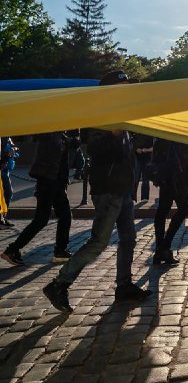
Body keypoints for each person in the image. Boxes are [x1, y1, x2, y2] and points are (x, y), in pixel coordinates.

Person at [43, 70, 152, 312]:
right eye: (122, 86)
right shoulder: (97, 116)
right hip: (108, 189)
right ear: (110, 90)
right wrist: (114, 135)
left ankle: (123, 287)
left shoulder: (120, 115)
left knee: (128, 239)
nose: (127, 90)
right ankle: (59, 283)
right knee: (98, 242)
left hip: (122, 189)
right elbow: (93, 151)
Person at [2, 131, 79, 266]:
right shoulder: (50, 134)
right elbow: (53, 154)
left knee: (62, 217)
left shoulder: (60, 136)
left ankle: (60, 251)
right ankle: (12, 250)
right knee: (42, 220)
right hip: (49, 182)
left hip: (55, 183)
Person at [151, 139, 188, 265]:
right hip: (176, 177)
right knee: (182, 208)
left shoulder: (163, 136)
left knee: (163, 210)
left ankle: (161, 249)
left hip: (170, 177)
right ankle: (164, 247)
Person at [1, 136, 19, 226]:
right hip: (2, 171)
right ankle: (2, 218)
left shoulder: (7, 138)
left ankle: (3, 217)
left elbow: (15, 150)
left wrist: (14, 150)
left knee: (7, 194)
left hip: (6, 171)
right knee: (7, 193)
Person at [132, 134, 154, 202]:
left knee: (145, 178)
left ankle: (144, 197)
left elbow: (154, 147)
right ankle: (133, 197)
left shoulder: (150, 135)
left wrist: (145, 150)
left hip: (146, 158)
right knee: (136, 178)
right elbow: (132, 144)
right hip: (138, 158)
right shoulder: (135, 134)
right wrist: (136, 149)